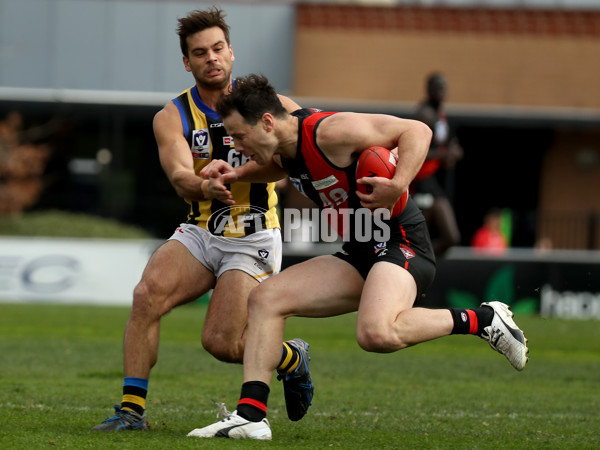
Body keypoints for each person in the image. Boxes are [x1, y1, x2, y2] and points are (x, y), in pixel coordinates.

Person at [187, 74, 530, 440]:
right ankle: (251, 417)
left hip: (401, 241)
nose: (236, 145)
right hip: (361, 249)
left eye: (240, 136)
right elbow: (280, 166)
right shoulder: (284, 149)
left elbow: (417, 131)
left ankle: (484, 319)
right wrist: (238, 171)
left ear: (268, 122)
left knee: (375, 334)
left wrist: (398, 184)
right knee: (266, 298)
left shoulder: (331, 132)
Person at [93, 8, 313, 431]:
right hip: (200, 231)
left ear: (231, 52)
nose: (210, 58)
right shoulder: (171, 115)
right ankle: (131, 411)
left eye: (217, 48)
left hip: (251, 236)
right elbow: (178, 175)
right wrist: (202, 185)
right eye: (199, 53)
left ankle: (291, 356)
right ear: (187, 62)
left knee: (221, 342)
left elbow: (301, 152)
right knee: (145, 296)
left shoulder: (273, 106)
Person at [411, 72, 463, 258]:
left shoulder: (440, 114)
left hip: (433, 181)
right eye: (438, 87)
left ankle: (422, 260)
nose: (442, 91)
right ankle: (413, 263)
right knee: (418, 237)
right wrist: (444, 154)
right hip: (421, 180)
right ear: (428, 89)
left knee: (452, 237)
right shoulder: (424, 114)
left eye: (444, 88)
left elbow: (442, 146)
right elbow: (414, 150)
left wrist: (451, 152)